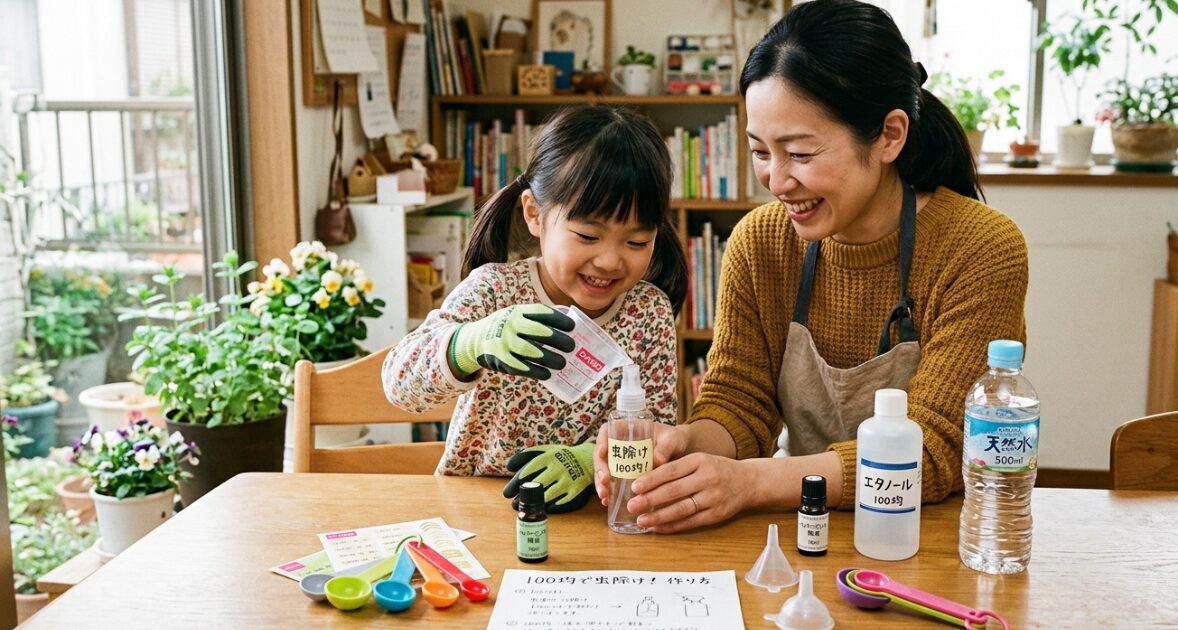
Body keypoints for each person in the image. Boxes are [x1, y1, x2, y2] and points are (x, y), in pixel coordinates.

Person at [593, 0, 1028, 532]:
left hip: (930, 533)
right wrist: (681, 442)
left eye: (799, 153)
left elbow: (937, 447)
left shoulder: (980, 247)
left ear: (889, 135)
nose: (777, 181)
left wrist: (751, 483)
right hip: (804, 522)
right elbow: (740, 402)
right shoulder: (761, 242)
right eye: (760, 152)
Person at [382, 105, 686, 513]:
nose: (611, 261)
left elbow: (659, 430)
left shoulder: (648, 312)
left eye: (636, 242)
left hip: (594, 514)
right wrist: (470, 342)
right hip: (479, 506)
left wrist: (586, 459)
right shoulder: (494, 290)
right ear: (534, 215)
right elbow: (400, 384)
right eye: (587, 235)